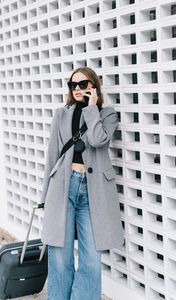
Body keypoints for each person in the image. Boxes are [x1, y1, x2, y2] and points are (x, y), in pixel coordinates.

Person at [39, 67, 124, 300]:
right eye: (73, 85)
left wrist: (90, 108)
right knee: (59, 258)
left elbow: (98, 140)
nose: (77, 89)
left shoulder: (106, 114)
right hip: (61, 188)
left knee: (91, 260)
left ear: (93, 86)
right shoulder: (61, 114)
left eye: (83, 84)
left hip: (93, 191)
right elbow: (52, 155)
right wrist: (44, 197)